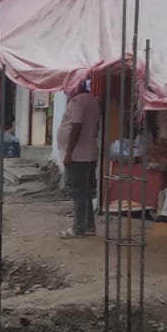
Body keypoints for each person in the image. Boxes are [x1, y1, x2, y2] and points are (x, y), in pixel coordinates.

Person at [58, 81, 101, 238]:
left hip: (77, 156)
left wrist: (69, 152)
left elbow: (77, 126)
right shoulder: (93, 100)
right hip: (89, 153)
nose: (66, 91)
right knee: (85, 192)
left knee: (78, 192)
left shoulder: (77, 101)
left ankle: (79, 228)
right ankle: (88, 226)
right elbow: (96, 127)